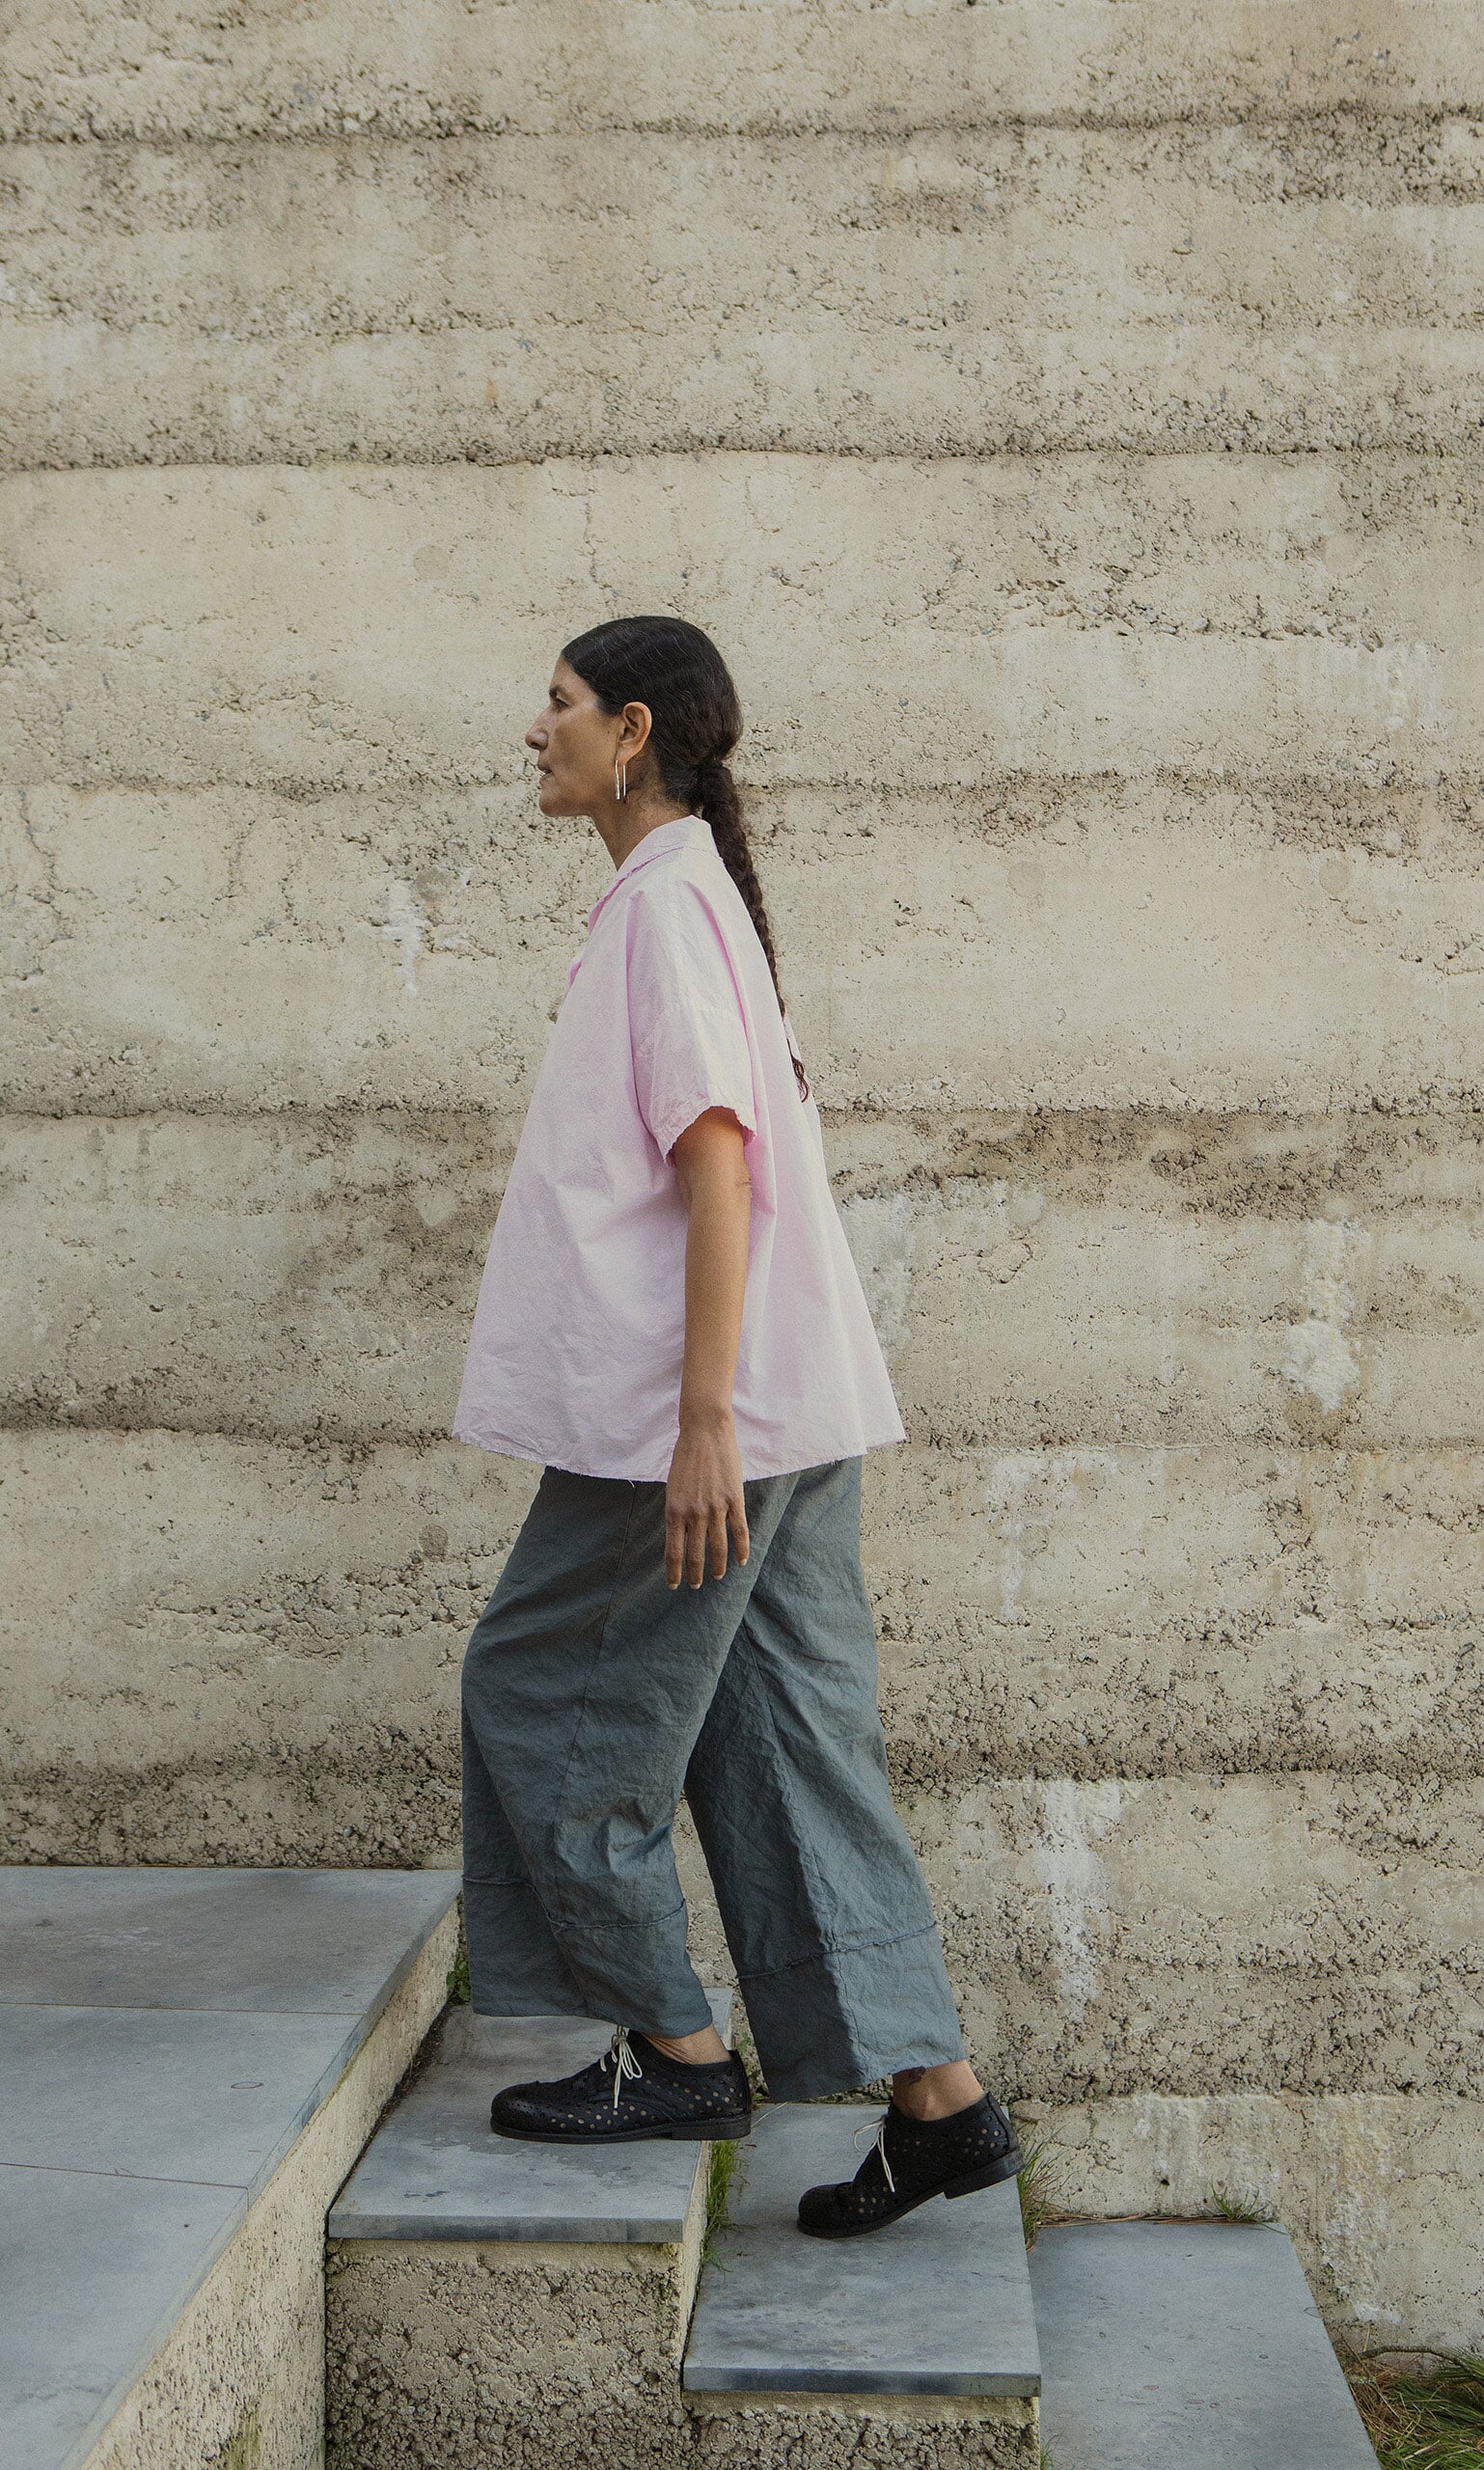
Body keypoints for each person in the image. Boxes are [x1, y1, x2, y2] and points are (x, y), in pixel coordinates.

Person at [453, 615, 1022, 2237]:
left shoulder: (668, 910)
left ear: (630, 729)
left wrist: (700, 1421)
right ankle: (939, 2105)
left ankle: (676, 2048)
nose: (534, 728)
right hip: (786, 1405)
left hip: (699, 1421)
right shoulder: (678, 899)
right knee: (785, 1745)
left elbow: (719, 1164)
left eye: (554, 701)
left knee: (538, 1687)